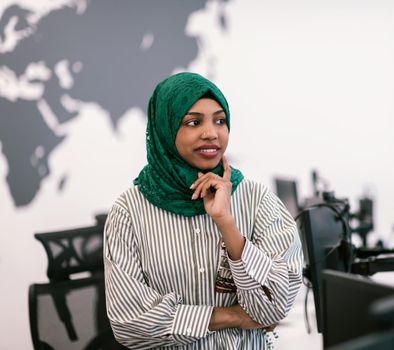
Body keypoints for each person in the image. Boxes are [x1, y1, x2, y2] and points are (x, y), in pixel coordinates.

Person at [103, 72, 303, 349]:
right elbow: (131, 325)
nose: (211, 133)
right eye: (193, 122)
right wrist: (229, 316)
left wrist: (226, 224)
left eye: (220, 121)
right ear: (165, 127)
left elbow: (274, 308)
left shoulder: (258, 200)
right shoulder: (129, 212)